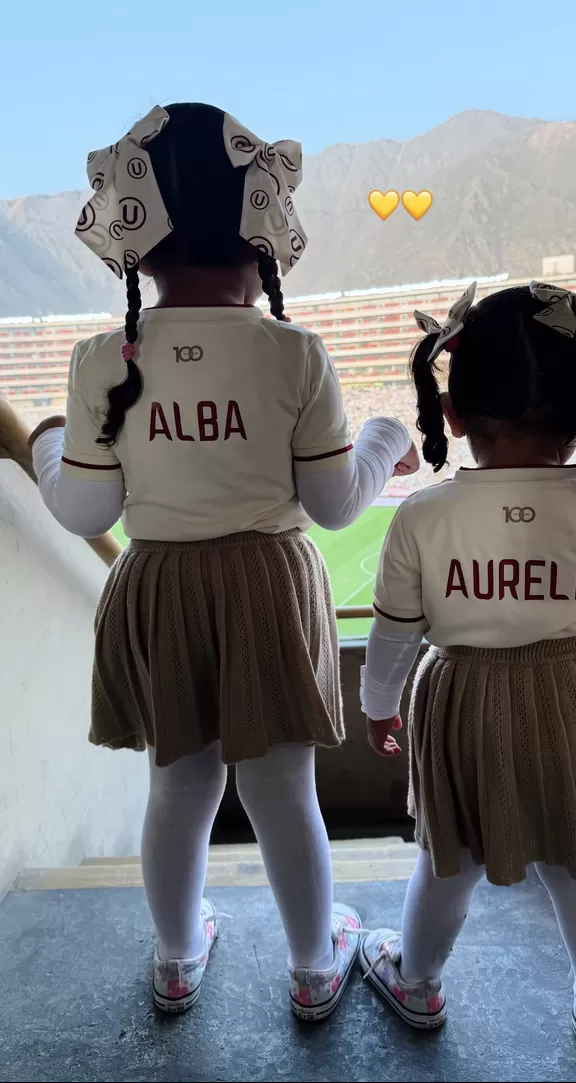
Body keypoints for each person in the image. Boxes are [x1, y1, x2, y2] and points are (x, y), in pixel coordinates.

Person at [29, 102, 418, 1020]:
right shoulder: (294, 352)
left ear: (141, 244)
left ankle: (174, 955)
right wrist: (385, 431)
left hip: (158, 586)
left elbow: (86, 506)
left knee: (178, 784)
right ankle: (316, 963)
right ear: (264, 238)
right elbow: (331, 504)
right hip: (267, 587)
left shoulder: (99, 359)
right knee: (284, 786)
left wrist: (48, 444)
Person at [359, 280, 576, 1051]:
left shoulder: (421, 515)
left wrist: (378, 706)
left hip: (460, 698)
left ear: (455, 414)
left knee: (448, 858)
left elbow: (393, 634)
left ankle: (416, 982)